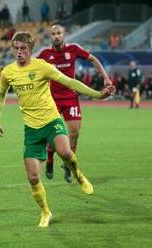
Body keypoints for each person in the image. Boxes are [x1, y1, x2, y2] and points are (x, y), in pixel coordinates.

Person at [0, 31, 115, 228]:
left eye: (23, 48)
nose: (19, 52)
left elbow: (70, 82)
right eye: (16, 48)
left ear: (31, 50)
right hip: (31, 130)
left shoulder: (42, 66)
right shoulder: (8, 72)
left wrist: (98, 95)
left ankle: (78, 174)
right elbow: (0, 96)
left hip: (51, 121)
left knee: (65, 151)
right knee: (33, 177)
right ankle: (45, 212)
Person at [37, 24, 112, 182]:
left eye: (59, 33)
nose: (56, 36)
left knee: (74, 133)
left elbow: (94, 59)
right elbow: (32, 71)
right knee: (53, 136)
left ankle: (68, 164)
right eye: (53, 34)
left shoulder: (73, 49)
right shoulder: (44, 54)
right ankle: (50, 160)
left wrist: (105, 77)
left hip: (71, 98)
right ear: (50, 37)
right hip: (52, 100)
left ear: (64, 35)